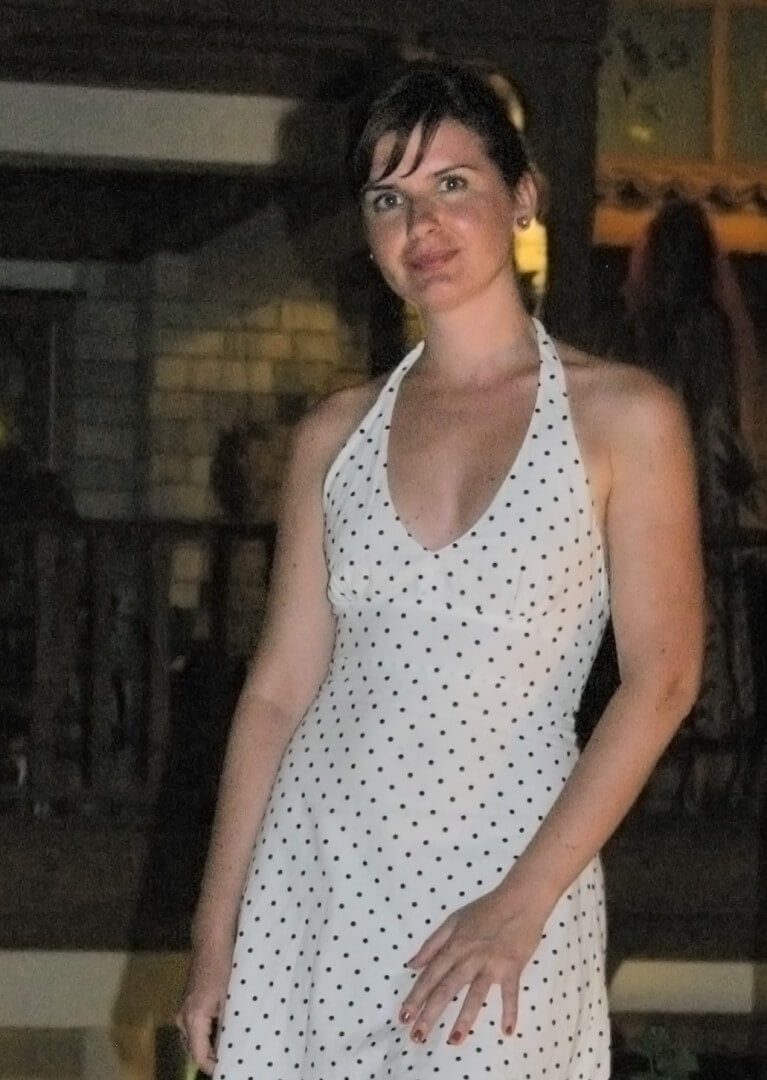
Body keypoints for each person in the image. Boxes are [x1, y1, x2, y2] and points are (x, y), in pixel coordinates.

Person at [176, 62, 704, 1079]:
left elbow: (664, 678)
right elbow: (277, 694)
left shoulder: (623, 416)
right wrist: (213, 936)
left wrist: (520, 904)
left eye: (451, 183)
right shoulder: (330, 435)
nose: (419, 222)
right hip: (317, 880)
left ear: (522, 196)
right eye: (388, 198)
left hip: (510, 876)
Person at [619, 198, 758, 810]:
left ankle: (690, 771)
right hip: (699, 508)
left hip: (679, 511)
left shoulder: (676, 334)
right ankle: (703, 769)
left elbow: (707, 427)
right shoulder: (704, 330)